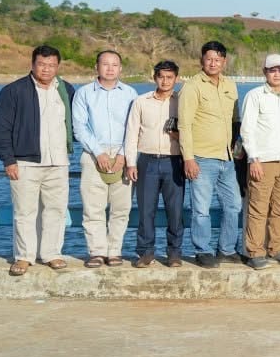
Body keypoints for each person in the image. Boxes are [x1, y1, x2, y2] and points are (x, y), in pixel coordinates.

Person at [0, 45, 75, 275]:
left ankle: (52, 253)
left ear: (58, 66)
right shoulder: (14, 91)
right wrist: (8, 160)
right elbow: (0, 128)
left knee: (56, 210)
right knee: (25, 212)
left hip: (59, 161)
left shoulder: (66, 90)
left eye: (51, 65)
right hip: (24, 163)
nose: (46, 69)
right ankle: (24, 256)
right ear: (32, 64)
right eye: (42, 64)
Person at [177, 41, 242, 268]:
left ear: (224, 61)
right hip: (202, 157)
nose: (213, 63)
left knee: (234, 205)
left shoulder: (230, 85)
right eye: (209, 59)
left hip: (227, 158)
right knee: (201, 209)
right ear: (201, 60)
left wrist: (237, 148)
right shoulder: (192, 87)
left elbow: (235, 119)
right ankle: (202, 250)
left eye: (217, 59)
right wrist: (188, 158)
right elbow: (184, 124)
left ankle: (226, 249)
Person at [72, 49, 138, 267]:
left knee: (121, 208)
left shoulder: (130, 93)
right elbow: (79, 126)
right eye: (105, 64)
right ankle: (97, 252)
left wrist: (123, 154)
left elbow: (134, 126)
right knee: (93, 207)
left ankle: (115, 251)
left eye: (114, 64)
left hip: (123, 153)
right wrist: (97, 151)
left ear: (120, 68)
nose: (110, 69)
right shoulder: (84, 93)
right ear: (96, 67)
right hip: (93, 153)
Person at [239, 54, 280, 269]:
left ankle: (277, 249)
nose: (277, 74)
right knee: (258, 209)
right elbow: (247, 129)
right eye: (272, 70)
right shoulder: (255, 96)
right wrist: (253, 159)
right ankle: (255, 252)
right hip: (262, 161)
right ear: (264, 72)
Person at [124, 60, 185, 267]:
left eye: (169, 77)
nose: (165, 81)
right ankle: (145, 252)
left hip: (174, 161)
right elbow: (131, 133)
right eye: (161, 77)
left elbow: (192, 131)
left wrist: (177, 135)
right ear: (154, 77)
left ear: (176, 79)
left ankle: (174, 253)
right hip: (147, 161)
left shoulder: (182, 102)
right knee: (145, 209)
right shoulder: (141, 102)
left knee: (175, 211)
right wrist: (131, 163)